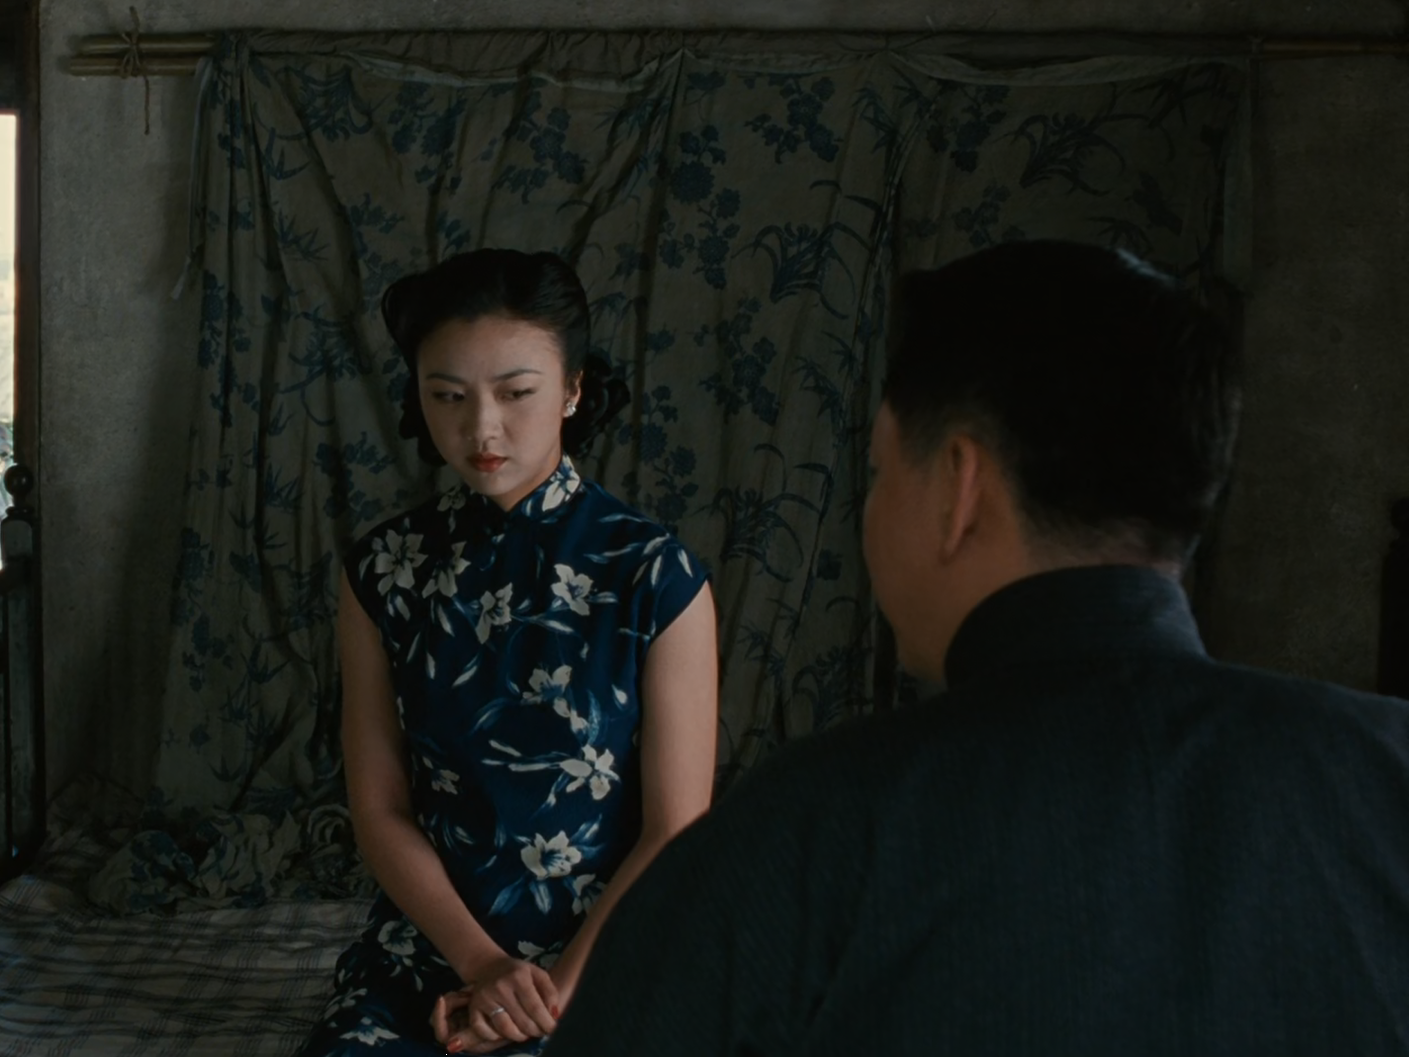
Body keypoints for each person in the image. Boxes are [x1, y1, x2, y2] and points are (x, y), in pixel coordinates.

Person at [549, 241, 1409, 1056]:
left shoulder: (805, 836)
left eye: (882, 472)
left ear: (960, 487)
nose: (872, 511)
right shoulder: (1386, 772)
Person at [297, 250, 721, 1057]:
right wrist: (483, 965)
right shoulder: (384, 572)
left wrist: (546, 1000)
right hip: (438, 945)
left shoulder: (654, 577)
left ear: (572, 390)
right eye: (448, 396)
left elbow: (675, 828)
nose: (481, 428)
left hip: (611, 946)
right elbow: (380, 809)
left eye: (516, 393)